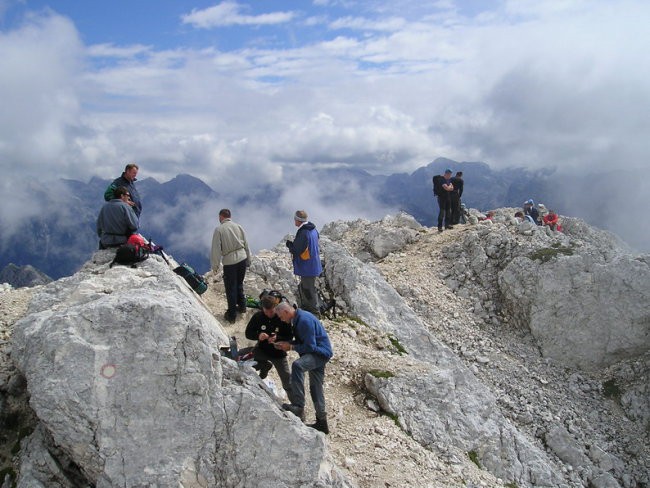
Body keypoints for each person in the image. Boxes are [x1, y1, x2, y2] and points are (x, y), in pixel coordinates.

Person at [274, 302, 333, 434]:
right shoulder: (298, 319)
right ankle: (322, 423)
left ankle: (298, 406)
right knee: (316, 387)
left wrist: (291, 347)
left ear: (286, 312)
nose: (280, 319)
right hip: (319, 353)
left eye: (280, 316)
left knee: (297, 366)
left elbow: (310, 346)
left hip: (318, 354)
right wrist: (287, 343)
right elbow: (303, 341)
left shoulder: (304, 320)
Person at [244, 293, 293, 398]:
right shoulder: (258, 317)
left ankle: (297, 406)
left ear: (275, 307)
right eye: (266, 312)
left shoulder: (282, 317)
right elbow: (248, 333)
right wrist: (259, 335)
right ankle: (264, 365)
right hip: (262, 349)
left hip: (278, 353)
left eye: (271, 311)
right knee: (241, 358)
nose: (269, 314)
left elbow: (289, 336)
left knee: (287, 379)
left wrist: (278, 338)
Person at [210, 209, 251, 323]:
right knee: (239, 283)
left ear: (221, 217)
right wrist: (249, 258)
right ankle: (242, 306)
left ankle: (231, 315)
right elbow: (246, 243)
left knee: (230, 288)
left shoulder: (219, 230)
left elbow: (216, 249)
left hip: (230, 262)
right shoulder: (238, 226)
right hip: (242, 258)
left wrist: (215, 266)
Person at [286, 210, 322, 315]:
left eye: (295, 219)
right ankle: (310, 307)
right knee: (308, 286)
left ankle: (314, 311)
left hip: (307, 266)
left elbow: (297, 250)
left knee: (308, 288)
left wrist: (289, 245)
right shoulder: (313, 229)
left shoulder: (303, 233)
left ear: (298, 220)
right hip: (314, 264)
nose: (294, 221)